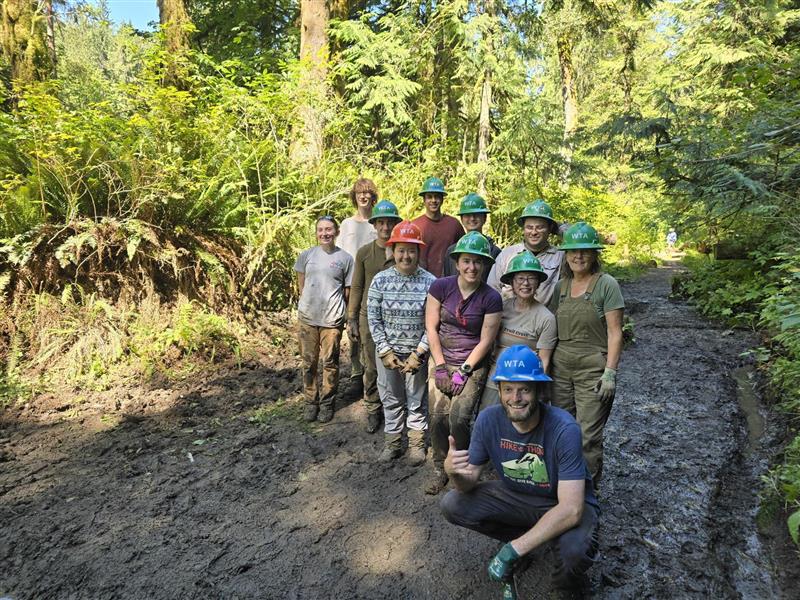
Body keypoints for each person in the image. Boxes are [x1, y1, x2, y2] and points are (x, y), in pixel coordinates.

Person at [440, 345, 600, 599]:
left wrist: (511, 550)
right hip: (519, 496)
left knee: (573, 554)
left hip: (563, 501)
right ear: (500, 391)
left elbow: (572, 509)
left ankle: (567, 587)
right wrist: (454, 473)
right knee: (453, 503)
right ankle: (528, 541)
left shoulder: (564, 428)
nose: (516, 398)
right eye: (509, 389)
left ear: (538, 391)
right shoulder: (488, 420)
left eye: (525, 389)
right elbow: (468, 483)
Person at [425, 231, 503, 494]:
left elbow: (486, 341)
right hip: (441, 358)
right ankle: (439, 467)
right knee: (437, 417)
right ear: (457, 263)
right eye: (467, 261)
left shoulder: (491, 297)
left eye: (478, 262)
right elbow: (431, 327)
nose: (472, 267)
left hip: (472, 363)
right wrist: (439, 367)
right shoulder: (440, 287)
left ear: (485, 265)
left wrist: (463, 372)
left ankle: (462, 466)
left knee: (458, 418)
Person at [548, 222, 624, 485]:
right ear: (566, 256)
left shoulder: (607, 285)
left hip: (593, 367)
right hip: (560, 367)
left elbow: (615, 332)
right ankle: (563, 485)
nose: (578, 256)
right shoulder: (561, 287)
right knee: (561, 428)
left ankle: (588, 491)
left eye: (585, 251)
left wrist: (610, 372)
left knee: (588, 434)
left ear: (595, 255)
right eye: (572, 251)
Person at [367, 221, 437, 465]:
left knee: (417, 398)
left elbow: (433, 323)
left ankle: (417, 445)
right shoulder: (380, 281)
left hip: (417, 352)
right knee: (391, 397)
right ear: (392, 251)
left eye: (411, 250)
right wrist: (385, 351)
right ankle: (393, 444)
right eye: (401, 250)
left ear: (418, 252)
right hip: (389, 352)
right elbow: (373, 318)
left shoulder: (431, 283)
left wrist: (419, 353)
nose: (406, 256)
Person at [347, 200, 403, 433]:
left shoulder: (402, 252)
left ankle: (397, 406)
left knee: (396, 362)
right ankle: (372, 407)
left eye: (390, 222)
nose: (385, 227)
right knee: (370, 364)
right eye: (381, 222)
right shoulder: (364, 253)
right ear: (375, 225)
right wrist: (351, 318)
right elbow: (357, 286)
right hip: (367, 316)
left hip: (396, 317)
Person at [294, 216, 355, 423]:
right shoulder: (306, 256)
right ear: (316, 233)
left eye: (328, 229)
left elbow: (347, 291)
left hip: (332, 320)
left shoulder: (346, 259)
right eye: (320, 230)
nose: (324, 233)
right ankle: (311, 402)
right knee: (308, 362)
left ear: (336, 232)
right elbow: (301, 284)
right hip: (308, 318)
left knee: (330, 362)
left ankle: (328, 403)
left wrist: (344, 315)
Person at [480, 251, 557, 411]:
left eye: (532, 278)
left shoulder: (546, 318)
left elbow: (544, 360)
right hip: (497, 375)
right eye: (520, 278)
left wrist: (538, 391)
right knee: (488, 418)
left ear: (538, 283)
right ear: (512, 282)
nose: (526, 283)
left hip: (526, 380)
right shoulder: (501, 308)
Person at [339, 178, 379, 400]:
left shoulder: (379, 222)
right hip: (352, 284)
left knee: (373, 330)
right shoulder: (347, 225)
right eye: (359, 193)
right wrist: (345, 285)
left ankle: (372, 375)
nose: (363, 197)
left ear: (373, 196)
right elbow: (344, 256)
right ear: (354, 197)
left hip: (375, 283)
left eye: (367, 193)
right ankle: (357, 373)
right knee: (352, 328)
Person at [487, 198, 563, 305]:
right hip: (509, 319)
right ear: (523, 228)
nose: (534, 232)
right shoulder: (507, 254)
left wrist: (560, 229)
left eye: (540, 227)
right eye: (529, 227)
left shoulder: (560, 257)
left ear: (550, 228)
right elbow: (491, 289)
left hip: (544, 319)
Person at [411, 176, 465, 277]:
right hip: (420, 282)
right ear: (424, 200)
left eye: (437, 196)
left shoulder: (454, 225)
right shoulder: (415, 226)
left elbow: (463, 254)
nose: (433, 200)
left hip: (450, 282)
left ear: (442, 199)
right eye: (429, 197)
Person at [442, 193, 502, 279]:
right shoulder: (452, 250)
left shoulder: (494, 252)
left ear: (484, 218)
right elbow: (446, 281)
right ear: (462, 219)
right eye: (467, 215)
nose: (472, 218)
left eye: (477, 214)